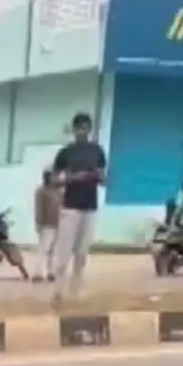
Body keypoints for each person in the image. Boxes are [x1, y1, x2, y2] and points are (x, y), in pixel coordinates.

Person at [49, 112, 108, 299]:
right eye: (80, 128)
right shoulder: (66, 152)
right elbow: (53, 179)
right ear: (74, 130)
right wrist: (73, 178)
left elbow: (104, 178)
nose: (83, 131)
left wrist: (99, 177)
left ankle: (75, 291)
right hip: (71, 206)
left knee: (82, 253)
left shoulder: (97, 151)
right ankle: (58, 290)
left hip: (90, 206)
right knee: (64, 252)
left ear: (90, 129)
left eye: (86, 128)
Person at [32, 170, 62, 282]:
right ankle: (38, 273)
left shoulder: (59, 191)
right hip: (46, 224)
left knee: (55, 250)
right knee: (44, 249)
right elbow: (39, 208)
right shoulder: (41, 191)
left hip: (58, 224)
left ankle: (52, 272)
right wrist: (38, 223)